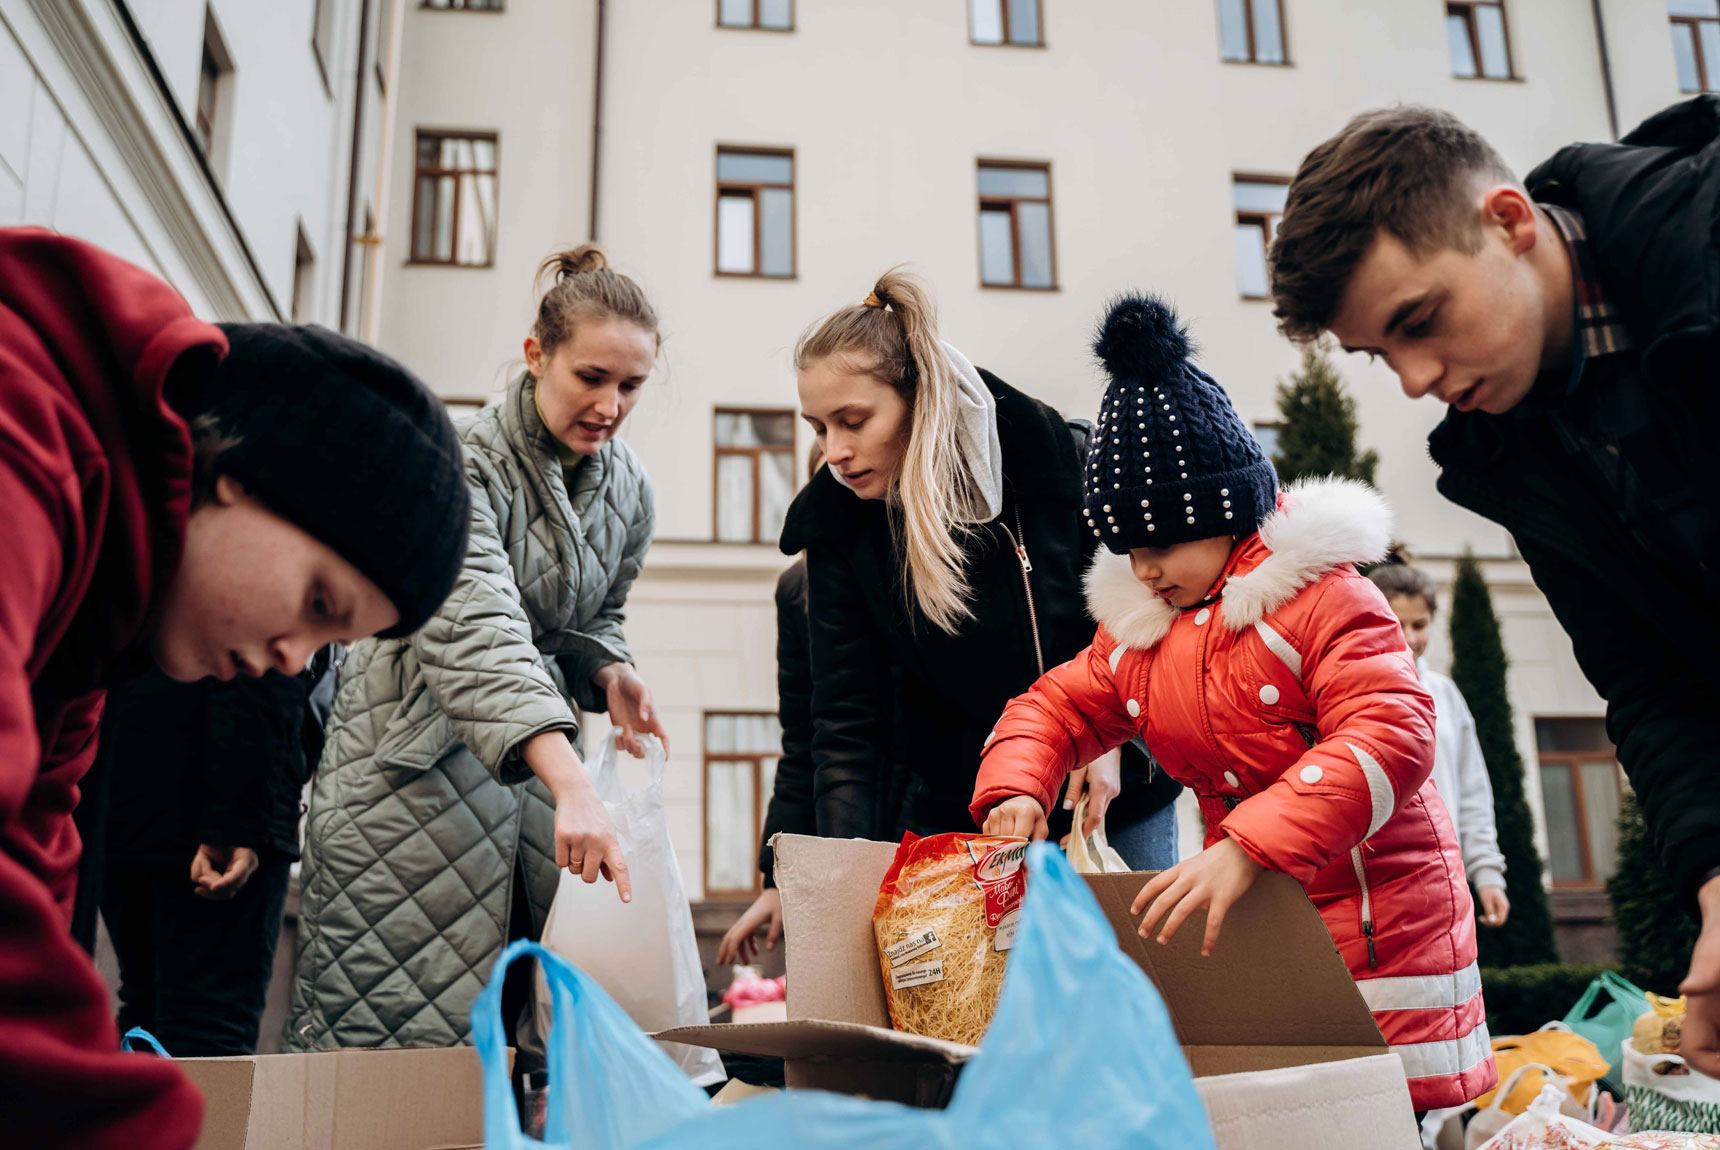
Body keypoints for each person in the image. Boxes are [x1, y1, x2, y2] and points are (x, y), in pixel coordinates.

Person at [1268, 97, 1720, 1080]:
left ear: (1508, 221)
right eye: (1378, 355)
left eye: (1418, 322)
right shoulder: (1512, 448)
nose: (1416, 378)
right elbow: (1650, 684)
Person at [0, 227, 469, 1146]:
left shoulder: (98, 625)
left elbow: (39, 888)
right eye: (319, 602)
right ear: (235, 471)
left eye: (337, 642)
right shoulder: (27, 441)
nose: (296, 659)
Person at [974, 295, 1494, 1115]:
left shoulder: (1327, 599)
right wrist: (1015, 789)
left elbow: (1392, 733)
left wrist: (1247, 847)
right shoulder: (1143, 636)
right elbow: (1056, 709)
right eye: (1129, 550)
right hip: (1262, 918)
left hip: (1382, 920)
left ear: (1222, 515)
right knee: (1285, 1115)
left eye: (1163, 544)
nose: (1143, 570)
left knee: (1391, 1116)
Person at [285, 245, 666, 1055]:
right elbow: (474, 626)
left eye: (631, 385)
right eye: (591, 377)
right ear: (536, 357)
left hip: (533, 800)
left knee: (514, 1043)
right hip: (410, 788)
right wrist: (571, 780)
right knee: (388, 1042)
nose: (611, 404)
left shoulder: (629, 488)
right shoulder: (456, 460)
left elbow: (598, 612)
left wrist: (610, 668)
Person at [778, 270, 1181, 867]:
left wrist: (1114, 735)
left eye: (853, 421)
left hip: (1112, 800)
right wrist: (847, 869)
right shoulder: (837, 529)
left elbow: (1149, 608)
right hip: (967, 816)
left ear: (919, 399)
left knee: (1139, 963)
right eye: (819, 428)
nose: (834, 451)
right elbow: (846, 727)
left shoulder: (1056, 461)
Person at [99, 649, 334, 1055]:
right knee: (210, 1033)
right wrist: (239, 820)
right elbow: (263, 643)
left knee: (146, 1010)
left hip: (124, 779)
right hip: (218, 799)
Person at [1369, 561, 1510, 930]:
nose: (1411, 638)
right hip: (1376, 880)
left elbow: (1472, 788)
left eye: (1420, 625)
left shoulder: (1445, 694)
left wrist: (1487, 871)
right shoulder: (1351, 692)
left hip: (1443, 875)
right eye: (1398, 624)